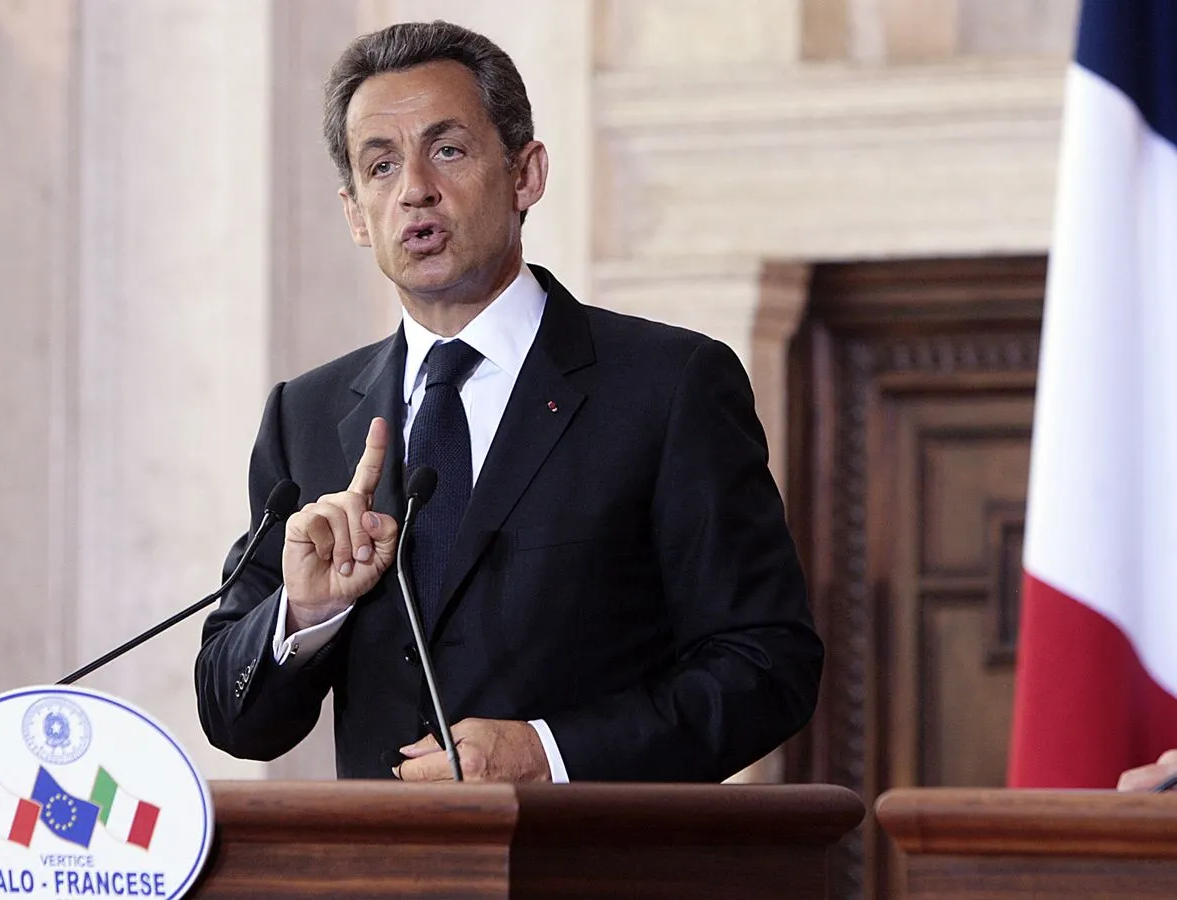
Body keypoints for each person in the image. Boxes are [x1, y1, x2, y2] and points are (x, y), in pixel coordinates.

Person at [193, 20, 823, 782]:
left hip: (586, 845)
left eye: (447, 151)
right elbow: (233, 717)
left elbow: (767, 664)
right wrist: (302, 615)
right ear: (356, 213)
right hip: (386, 848)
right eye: (381, 166)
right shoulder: (308, 415)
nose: (414, 189)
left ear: (525, 174)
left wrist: (549, 755)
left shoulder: (669, 385)